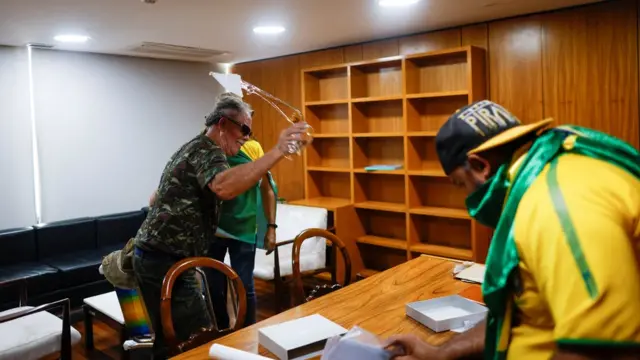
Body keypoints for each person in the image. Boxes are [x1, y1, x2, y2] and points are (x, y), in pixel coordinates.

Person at [388, 100, 640, 360]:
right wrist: (438, 354)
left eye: (459, 184)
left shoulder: (557, 204)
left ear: (479, 166)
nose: (466, 198)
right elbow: (517, 313)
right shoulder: (538, 177)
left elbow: (600, 350)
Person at [132, 93, 308, 359]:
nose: (247, 137)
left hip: (159, 258)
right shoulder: (208, 150)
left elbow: (156, 197)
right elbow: (224, 187)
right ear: (223, 123)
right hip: (163, 261)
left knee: (174, 339)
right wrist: (279, 150)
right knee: (195, 338)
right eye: (245, 129)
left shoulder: (193, 147)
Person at [207, 133, 278, 329]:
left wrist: (271, 228)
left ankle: (248, 332)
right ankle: (221, 330)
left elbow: (267, 189)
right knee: (213, 285)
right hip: (213, 229)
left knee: (245, 285)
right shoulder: (209, 149)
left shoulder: (252, 148)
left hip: (245, 228)